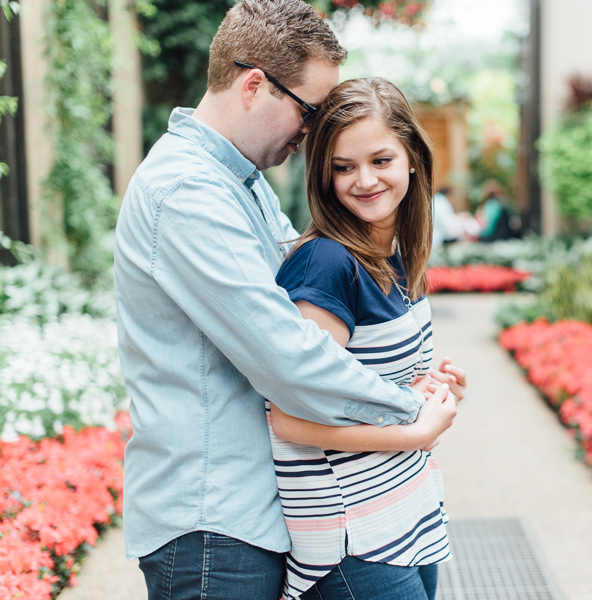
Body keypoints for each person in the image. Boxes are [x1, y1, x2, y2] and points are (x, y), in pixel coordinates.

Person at [114, 2, 463, 599]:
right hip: (212, 523)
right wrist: (412, 414)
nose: (312, 133)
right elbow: (289, 356)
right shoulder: (186, 191)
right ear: (255, 84)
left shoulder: (238, 183)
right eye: (309, 110)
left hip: (247, 513)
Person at [267, 78, 466, 600]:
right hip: (352, 539)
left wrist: (428, 390)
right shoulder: (327, 263)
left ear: (412, 159)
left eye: (381, 160)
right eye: (343, 167)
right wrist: (417, 432)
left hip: (406, 508)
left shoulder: (397, 252)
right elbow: (290, 417)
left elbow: (368, 386)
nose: (364, 181)